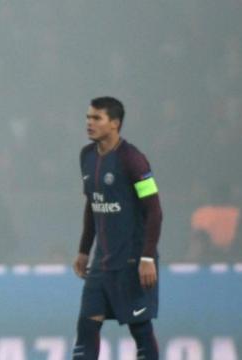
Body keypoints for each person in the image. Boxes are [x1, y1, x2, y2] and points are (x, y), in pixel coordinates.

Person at [72, 97, 163, 359]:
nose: (89, 123)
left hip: (132, 260)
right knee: (87, 326)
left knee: (141, 329)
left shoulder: (133, 160)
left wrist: (147, 257)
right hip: (101, 263)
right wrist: (83, 250)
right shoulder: (87, 156)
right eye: (88, 117)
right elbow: (93, 203)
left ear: (115, 124)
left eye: (96, 118)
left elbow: (155, 210)